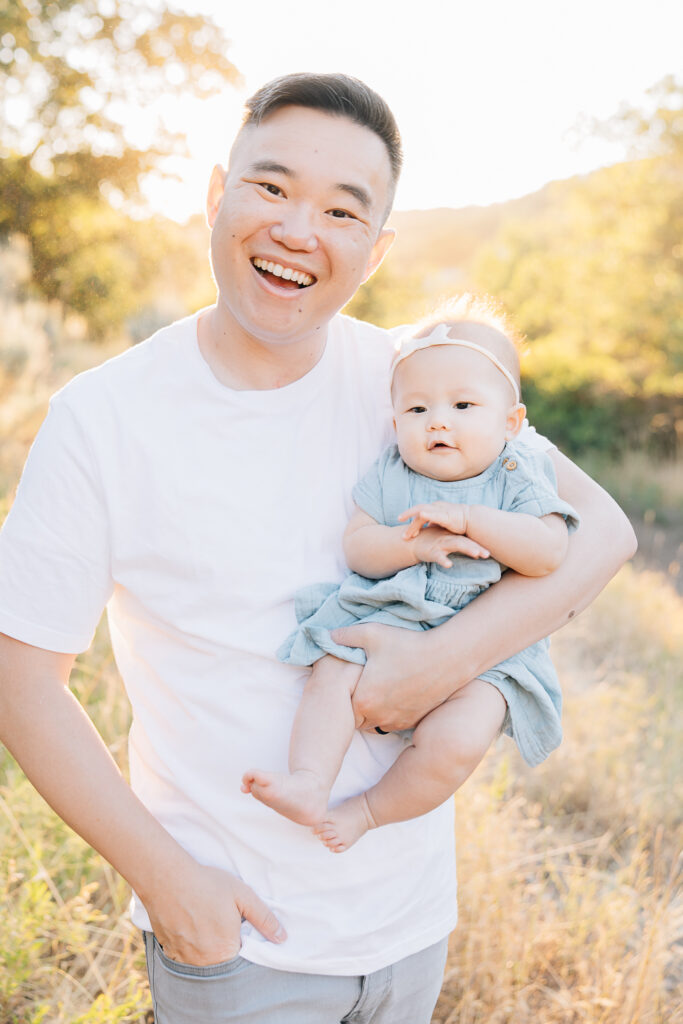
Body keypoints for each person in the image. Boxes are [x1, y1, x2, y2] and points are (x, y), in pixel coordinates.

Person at [0, 73, 636, 1024]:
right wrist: (172, 888)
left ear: (374, 251)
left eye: (342, 211)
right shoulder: (104, 417)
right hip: (240, 946)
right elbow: (20, 676)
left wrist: (439, 663)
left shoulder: (412, 382)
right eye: (271, 188)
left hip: (411, 926)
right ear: (216, 195)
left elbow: (603, 533)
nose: (299, 230)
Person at [242, 300, 579, 853]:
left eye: (463, 405)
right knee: (332, 671)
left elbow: (548, 551)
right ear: (395, 421)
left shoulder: (516, 473)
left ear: (511, 422)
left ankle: (370, 812)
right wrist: (415, 543)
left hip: (486, 651)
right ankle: (308, 781)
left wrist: (474, 521)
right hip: (393, 613)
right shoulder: (394, 472)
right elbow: (359, 548)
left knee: (458, 742)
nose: (438, 421)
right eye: (417, 410)